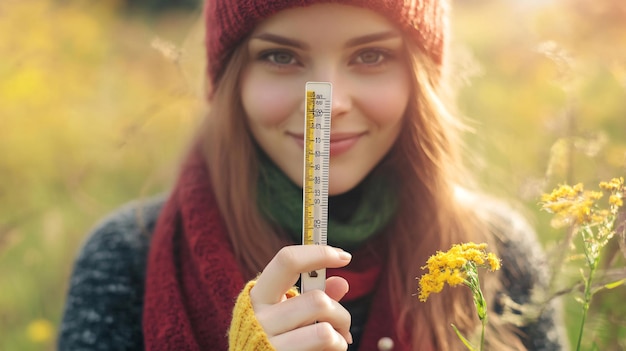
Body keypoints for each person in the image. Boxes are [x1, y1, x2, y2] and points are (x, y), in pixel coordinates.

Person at [58, 0, 567, 350]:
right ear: (232, 79)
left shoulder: (494, 250)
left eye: (371, 55)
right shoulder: (129, 258)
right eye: (281, 56)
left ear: (420, 78)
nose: (329, 103)